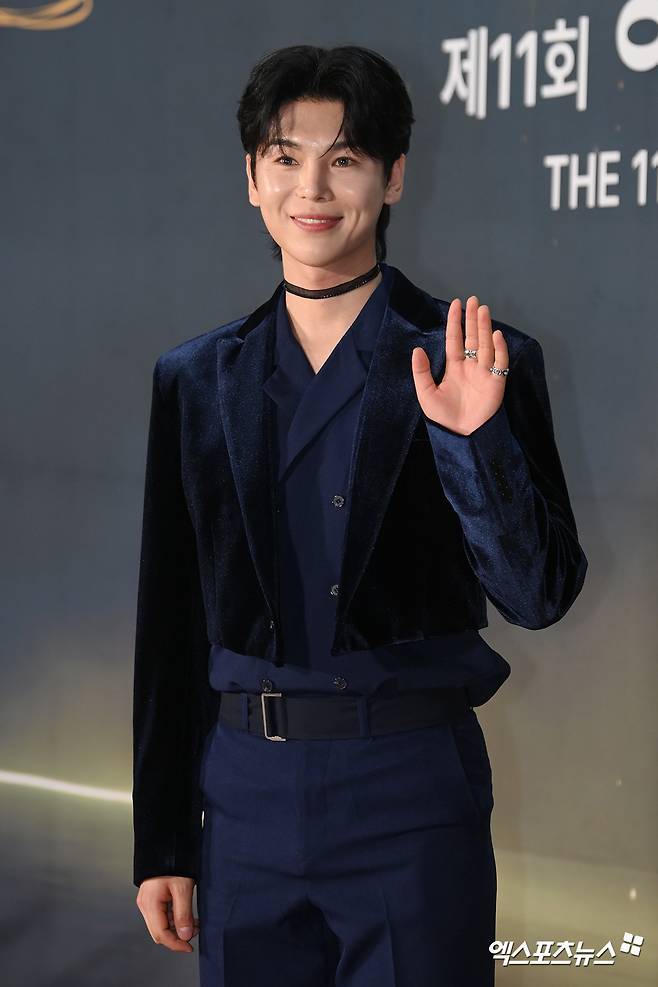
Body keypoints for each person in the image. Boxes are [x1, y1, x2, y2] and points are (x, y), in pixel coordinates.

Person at [132, 44, 588, 987]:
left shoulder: (477, 356)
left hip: (408, 792)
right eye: (285, 156)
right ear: (251, 178)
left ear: (393, 176)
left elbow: (538, 595)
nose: (312, 188)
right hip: (244, 800)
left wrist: (473, 442)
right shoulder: (195, 379)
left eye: (343, 158)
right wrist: (164, 839)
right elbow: (170, 624)